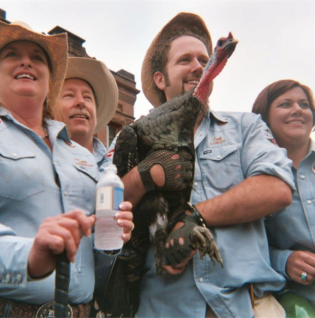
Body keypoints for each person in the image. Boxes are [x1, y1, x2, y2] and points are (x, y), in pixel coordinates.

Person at [108, 12, 295, 318]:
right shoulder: (132, 137)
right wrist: (145, 176)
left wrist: (191, 219)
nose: (197, 66)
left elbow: (277, 189)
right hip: (161, 307)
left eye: (203, 59)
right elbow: (106, 208)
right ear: (160, 79)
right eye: (185, 60)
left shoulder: (245, 128)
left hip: (243, 307)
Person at [0, 20, 133, 318]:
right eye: (12, 54)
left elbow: (95, 259)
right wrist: (29, 257)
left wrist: (111, 238)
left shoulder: (81, 157)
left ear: (49, 81)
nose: (26, 61)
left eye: (37, 57)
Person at [252, 79, 315, 315]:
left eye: (304, 104)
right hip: (292, 302)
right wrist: (283, 261)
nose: (297, 110)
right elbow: (242, 244)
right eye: (285, 104)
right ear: (264, 117)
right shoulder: (253, 178)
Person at [54, 57, 118, 169]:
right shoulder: (38, 158)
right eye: (69, 95)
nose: (81, 102)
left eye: (87, 97)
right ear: (50, 110)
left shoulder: (118, 166)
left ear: (96, 114)